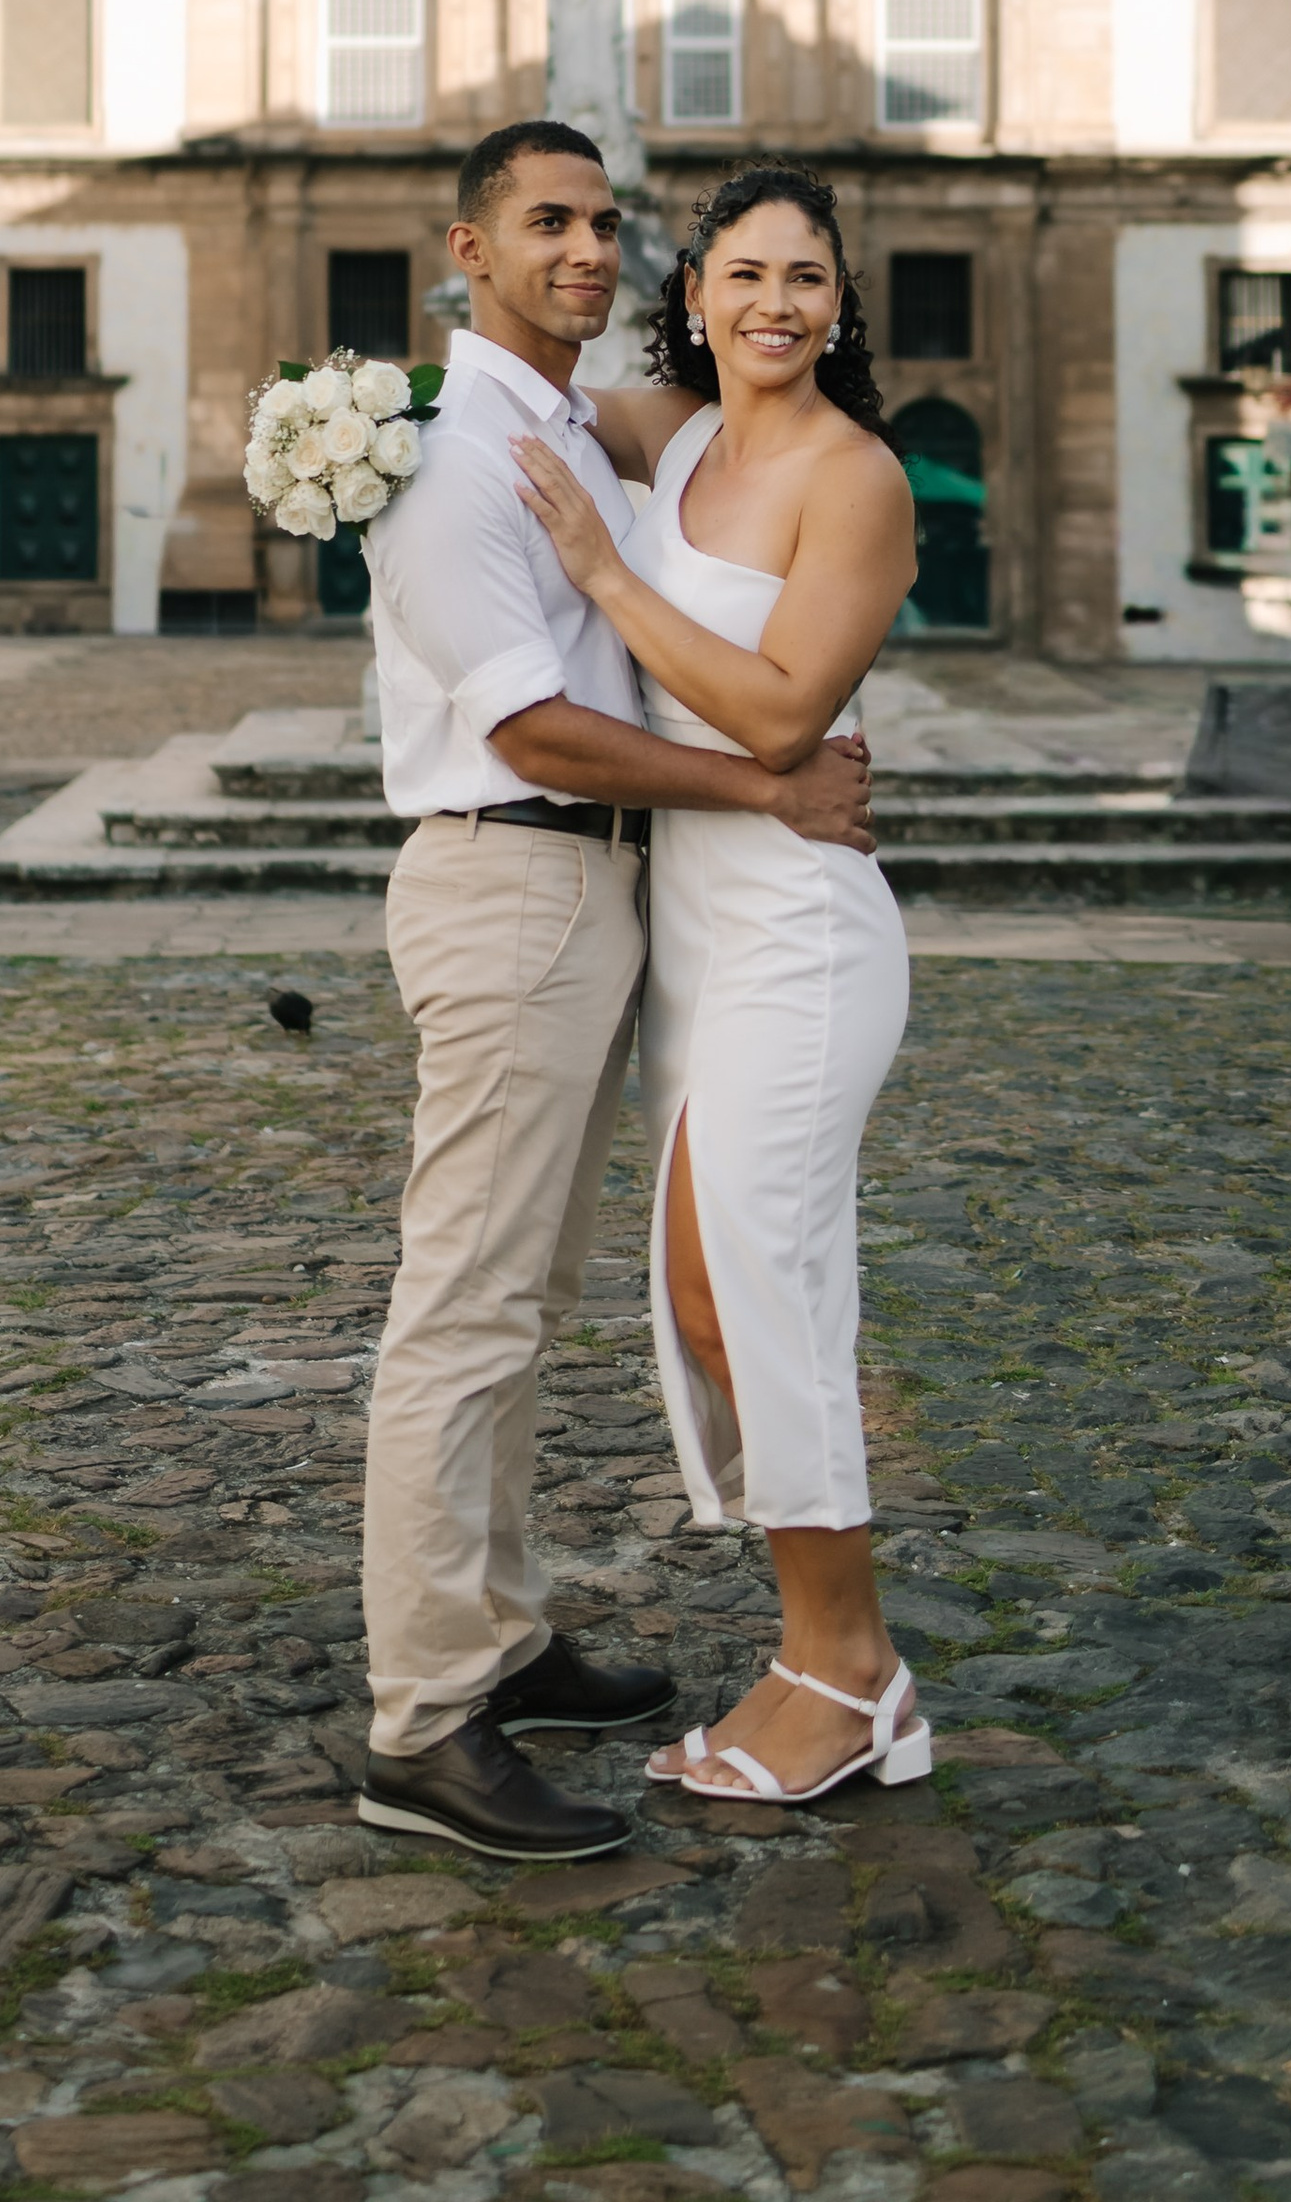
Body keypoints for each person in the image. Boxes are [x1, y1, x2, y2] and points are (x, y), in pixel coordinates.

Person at [355, 120, 877, 1863]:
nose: (584, 249)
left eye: (602, 223)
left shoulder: (577, 424)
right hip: (517, 863)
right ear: (468, 246)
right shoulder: (451, 456)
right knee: (471, 1308)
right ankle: (429, 1720)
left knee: (528, 1293)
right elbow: (525, 721)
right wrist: (763, 787)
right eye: (545, 223)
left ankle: (500, 1640)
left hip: (615, 892)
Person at [510, 160, 924, 1805]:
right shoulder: (672, 437)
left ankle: (854, 1675)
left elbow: (774, 719)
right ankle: (815, 1653)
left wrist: (607, 582)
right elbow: (503, 389)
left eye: (805, 280)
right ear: (694, 296)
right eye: (742, 275)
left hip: (801, 932)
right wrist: (335, 423)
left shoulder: (857, 478)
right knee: (700, 1305)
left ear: (840, 304)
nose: (773, 304)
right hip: (696, 929)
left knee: (766, 1298)